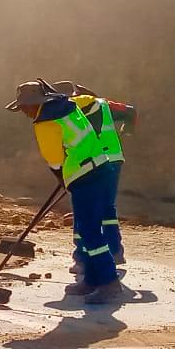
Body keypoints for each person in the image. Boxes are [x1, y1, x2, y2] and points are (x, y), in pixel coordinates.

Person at [7, 78, 130, 305]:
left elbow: (54, 160)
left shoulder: (45, 123)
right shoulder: (69, 107)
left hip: (84, 176)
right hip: (102, 167)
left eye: (24, 107)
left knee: (89, 230)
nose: (24, 112)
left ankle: (108, 282)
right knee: (91, 226)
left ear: (35, 103)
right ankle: (92, 280)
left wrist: (62, 177)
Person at [52, 81, 137, 278]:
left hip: (91, 164)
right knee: (107, 207)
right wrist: (128, 131)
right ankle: (115, 250)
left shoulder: (69, 111)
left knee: (84, 209)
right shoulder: (104, 104)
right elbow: (131, 111)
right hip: (114, 158)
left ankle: (81, 257)